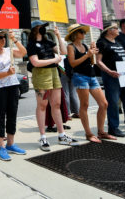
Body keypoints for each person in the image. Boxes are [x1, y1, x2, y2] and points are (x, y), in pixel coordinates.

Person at [27, 20, 78, 152]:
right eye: (40, 27)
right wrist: (54, 60)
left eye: (44, 27)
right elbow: (35, 62)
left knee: (56, 104)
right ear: (34, 29)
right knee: (42, 105)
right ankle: (43, 137)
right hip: (41, 75)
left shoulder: (48, 41)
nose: (43, 29)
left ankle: (61, 135)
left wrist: (58, 36)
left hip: (54, 73)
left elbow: (63, 51)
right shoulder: (31, 44)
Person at [65, 24, 116, 143]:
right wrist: (87, 54)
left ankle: (101, 132)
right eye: (81, 32)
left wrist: (93, 52)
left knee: (104, 104)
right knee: (85, 105)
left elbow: (92, 61)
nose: (84, 34)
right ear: (75, 34)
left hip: (91, 76)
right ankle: (88, 133)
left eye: (84, 32)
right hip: (80, 77)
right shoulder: (70, 47)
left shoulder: (84, 45)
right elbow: (72, 63)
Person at [0, 30, 27, 160]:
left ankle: (10, 143)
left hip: (13, 86)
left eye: (4, 37)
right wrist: (6, 74)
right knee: (0, 115)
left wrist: (14, 39)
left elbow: (23, 53)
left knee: (12, 114)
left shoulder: (9, 50)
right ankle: (1, 146)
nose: (3, 39)